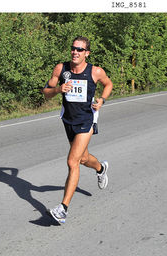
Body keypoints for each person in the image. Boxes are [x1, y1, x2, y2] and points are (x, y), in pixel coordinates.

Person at [41, 36, 113, 224]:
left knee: (72, 161)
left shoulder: (95, 71)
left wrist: (102, 100)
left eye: (80, 50)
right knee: (82, 158)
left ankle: (63, 209)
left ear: (86, 53)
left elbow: (108, 84)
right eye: (73, 48)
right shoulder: (61, 69)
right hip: (68, 120)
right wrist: (58, 90)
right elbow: (46, 93)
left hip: (86, 120)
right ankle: (100, 167)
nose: (75, 52)